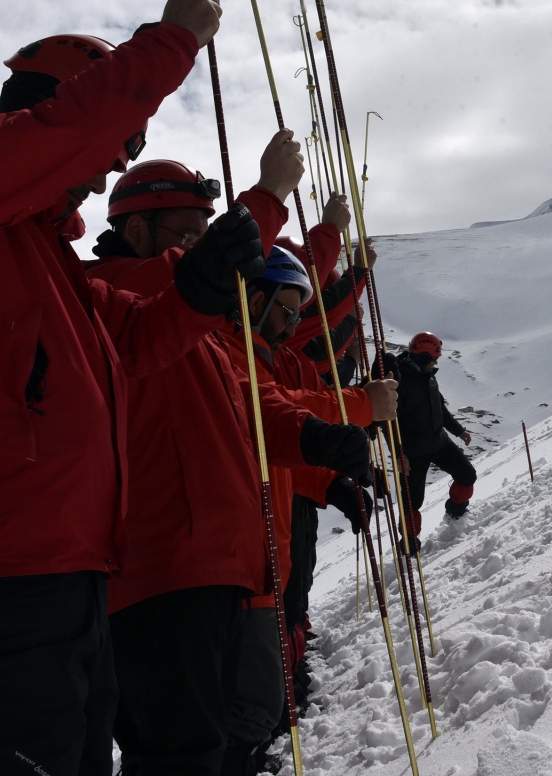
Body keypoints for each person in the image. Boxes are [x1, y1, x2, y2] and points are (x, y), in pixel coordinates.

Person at [0, 0, 274, 776]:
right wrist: (171, 45)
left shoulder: (45, 262)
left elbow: (135, 335)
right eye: (106, 155)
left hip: (63, 580)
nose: (97, 182)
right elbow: (57, 138)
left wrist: (202, 290)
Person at [85, 148, 366, 775]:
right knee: (181, 752)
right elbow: (191, 281)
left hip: (225, 563)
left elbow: (250, 400)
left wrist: (319, 445)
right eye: (188, 236)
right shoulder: (107, 294)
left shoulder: (198, 329)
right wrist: (267, 198)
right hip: (160, 568)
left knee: (233, 728)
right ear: (138, 232)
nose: (200, 253)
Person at [222, 248, 395, 776]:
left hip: (270, 534)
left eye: (299, 312)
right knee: (218, 712)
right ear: (253, 300)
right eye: (287, 309)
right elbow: (273, 416)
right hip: (232, 547)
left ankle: (274, 717)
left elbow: (286, 442)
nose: (294, 322)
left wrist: (334, 485)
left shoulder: (277, 356)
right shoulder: (229, 353)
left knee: (263, 669)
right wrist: (360, 405)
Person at [391, 332, 476, 552]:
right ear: (421, 358)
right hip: (412, 452)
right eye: (433, 360)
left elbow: (440, 409)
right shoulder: (399, 383)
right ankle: (408, 542)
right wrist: (399, 454)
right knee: (411, 503)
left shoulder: (429, 377)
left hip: (439, 442)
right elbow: (388, 423)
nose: (436, 364)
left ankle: (455, 512)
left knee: (467, 476)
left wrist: (459, 431)